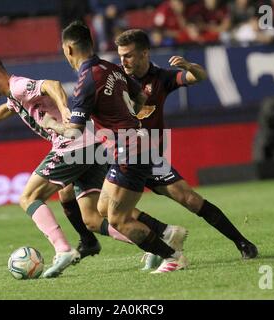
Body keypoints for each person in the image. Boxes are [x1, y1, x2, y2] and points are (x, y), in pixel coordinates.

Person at [0, 52, 186, 276]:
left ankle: (62, 250)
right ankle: (153, 244)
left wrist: (64, 109)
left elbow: (52, 85)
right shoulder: (13, 97)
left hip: (73, 145)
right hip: (90, 145)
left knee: (28, 197)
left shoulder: (18, 86)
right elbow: (7, 109)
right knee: (93, 219)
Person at [48, 21, 190, 273]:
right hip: (134, 144)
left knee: (117, 219)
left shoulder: (85, 81)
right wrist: (128, 118)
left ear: (69, 49)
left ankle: (171, 255)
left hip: (129, 151)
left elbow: (74, 131)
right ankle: (166, 232)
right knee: (102, 208)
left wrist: (53, 124)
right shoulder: (111, 67)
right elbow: (141, 97)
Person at [113, 29, 258, 268]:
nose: (123, 60)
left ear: (144, 53)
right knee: (113, 210)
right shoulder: (116, 79)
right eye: (120, 55)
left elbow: (199, 77)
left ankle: (242, 242)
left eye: (128, 55)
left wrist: (189, 66)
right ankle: (158, 243)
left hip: (150, 158)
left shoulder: (162, 78)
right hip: (120, 157)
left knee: (190, 199)